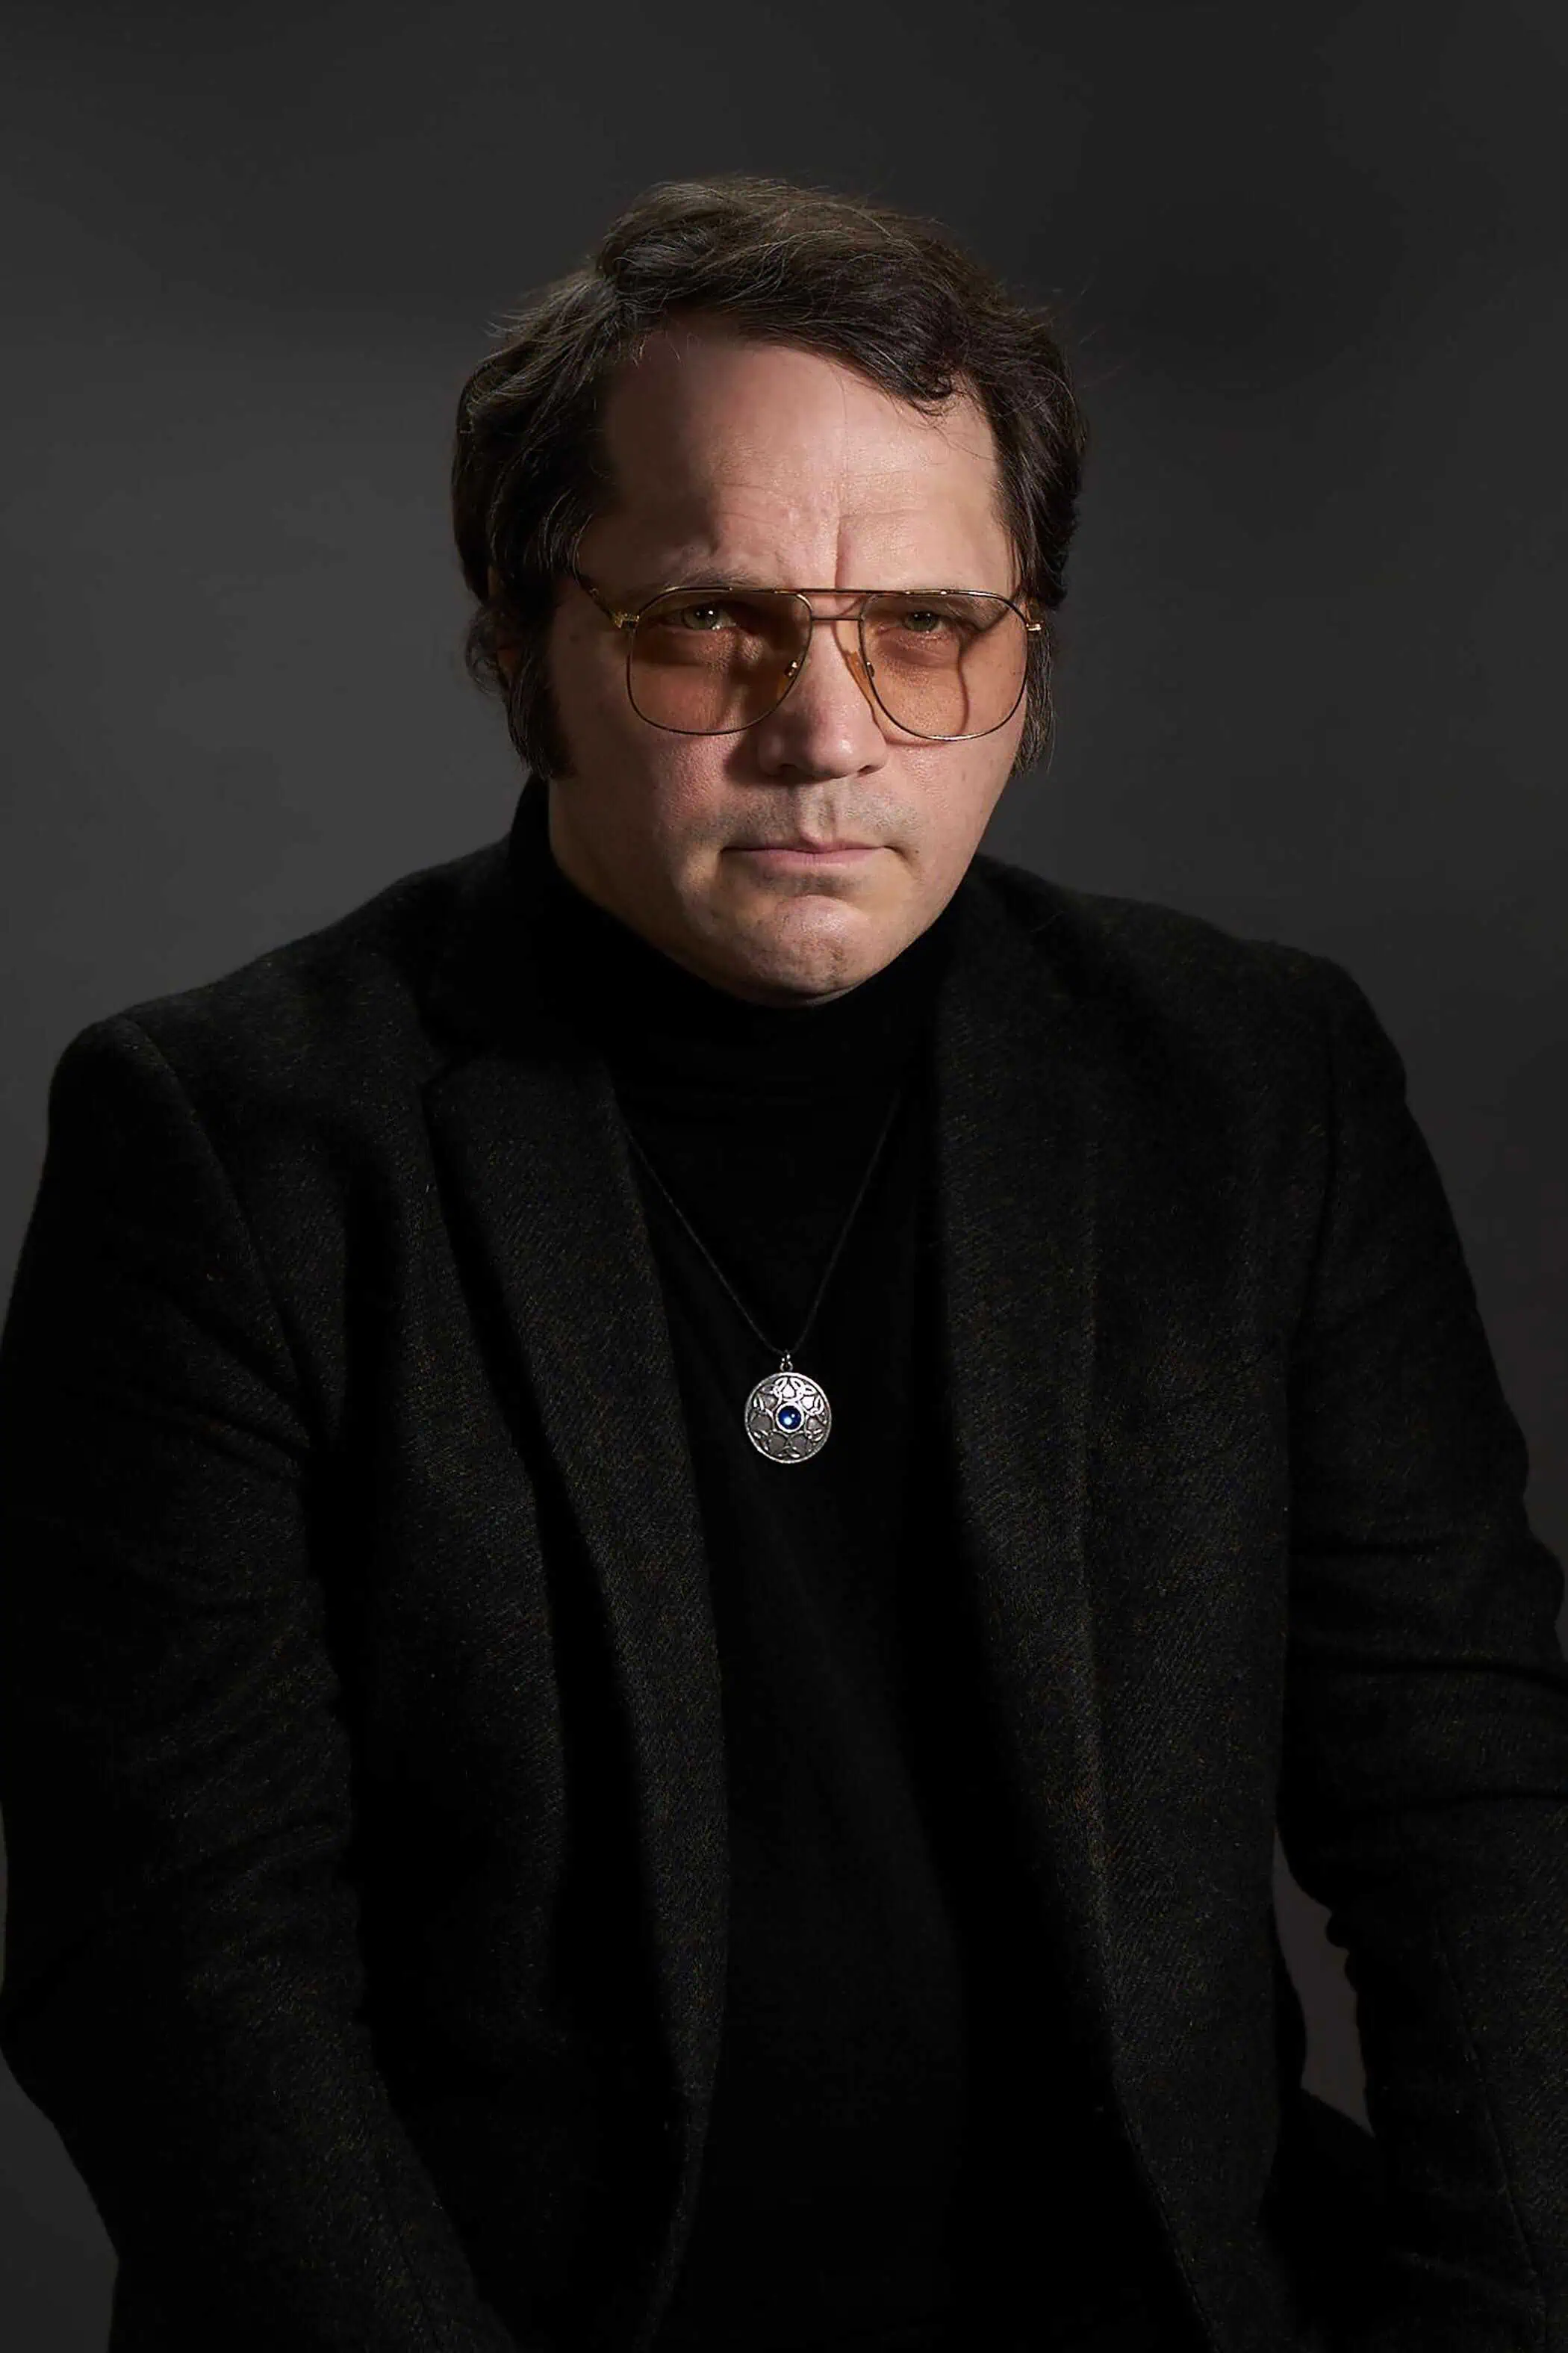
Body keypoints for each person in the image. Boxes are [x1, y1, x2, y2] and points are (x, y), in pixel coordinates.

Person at [0, 172, 1563, 2353]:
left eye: (926, 627)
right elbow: (174, 1951)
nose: (827, 734)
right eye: (708, 623)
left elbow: (1469, 1805)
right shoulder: (235, 1138)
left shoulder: (1248, 1085)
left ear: (1030, 658)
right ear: (521, 636)